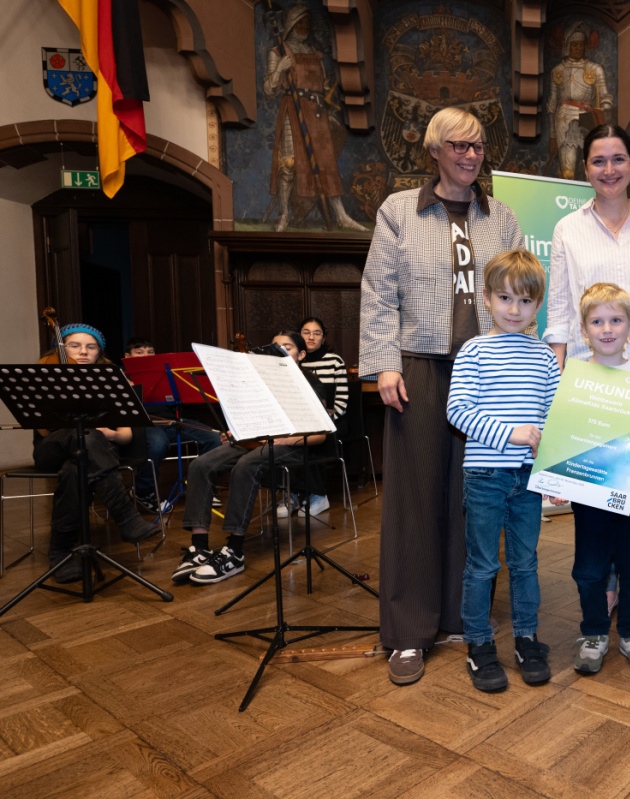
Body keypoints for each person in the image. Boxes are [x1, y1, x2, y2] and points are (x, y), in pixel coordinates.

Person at [359, 106, 526, 686]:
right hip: (418, 368)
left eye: (477, 146)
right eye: (457, 145)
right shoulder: (398, 211)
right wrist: (382, 365)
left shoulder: (500, 217)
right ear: (433, 150)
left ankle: (461, 617)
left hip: (487, 371)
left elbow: (519, 292)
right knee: (414, 498)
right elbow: (379, 292)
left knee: (475, 497)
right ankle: (408, 633)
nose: (469, 155)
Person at [543, 123, 630, 626]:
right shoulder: (567, 230)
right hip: (588, 373)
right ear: (585, 169)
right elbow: (557, 307)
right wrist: (556, 380)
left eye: (619, 159)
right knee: (597, 486)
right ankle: (610, 588)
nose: (610, 169)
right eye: (599, 160)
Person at [446, 250, 559, 692]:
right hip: (486, 477)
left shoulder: (545, 357)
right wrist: (507, 433)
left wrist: (554, 473)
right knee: (482, 564)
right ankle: (478, 644)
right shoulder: (474, 350)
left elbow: (552, 418)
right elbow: (458, 412)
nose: (515, 310)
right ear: (487, 299)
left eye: (526, 301)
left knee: (526, 562)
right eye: (506, 298)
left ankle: (527, 638)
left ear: (538, 305)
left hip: (529, 478)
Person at [548, 283, 630, 675]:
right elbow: (563, 433)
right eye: (597, 321)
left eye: (616, 320)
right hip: (591, 493)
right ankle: (594, 631)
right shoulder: (576, 379)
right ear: (584, 330)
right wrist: (557, 481)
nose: (607, 329)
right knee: (589, 567)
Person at [172, 331, 332, 586]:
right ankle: (199, 547)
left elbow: (321, 436)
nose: (280, 353)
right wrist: (235, 432)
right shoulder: (258, 382)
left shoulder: (310, 383)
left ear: (301, 355)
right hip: (257, 441)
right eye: (275, 348)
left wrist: (286, 440)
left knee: (248, 465)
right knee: (201, 464)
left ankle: (234, 551)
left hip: (294, 444)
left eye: (287, 348)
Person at [36, 324, 157, 584]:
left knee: (76, 466)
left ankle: (60, 551)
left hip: (91, 452)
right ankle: (125, 516)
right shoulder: (45, 377)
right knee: (86, 438)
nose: (83, 351)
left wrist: (108, 433)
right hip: (53, 448)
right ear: (61, 349)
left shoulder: (112, 382)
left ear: (98, 353)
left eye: (91, 347)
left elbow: (125, 435)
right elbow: (44, 432)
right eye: (74, 345)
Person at [263, 4, 364, 232]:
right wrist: (280, 68)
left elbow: (324, 85)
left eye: (307, 23)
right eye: (300, 23)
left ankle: (341, 216)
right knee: (288, 164)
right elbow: (269, 90)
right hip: (293, 108)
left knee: (326, 164)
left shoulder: (314, 54)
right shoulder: (279, 52)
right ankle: (284, 216)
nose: (304, 27)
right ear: (291, 25)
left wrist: (328, 98)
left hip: (317, 112)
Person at [122, 337, 222, 513]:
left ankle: (200, 487)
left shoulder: (164, 373)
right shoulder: (122, 376)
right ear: (128, 357)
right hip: (145, 424)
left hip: (171, 421)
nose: (146, 356)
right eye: (139, 352)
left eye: (150, 352)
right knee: (157, 444)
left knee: (214, 437)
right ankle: (144, 493)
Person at [278, 316, 348, 517]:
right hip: (299, 420)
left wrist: (324, 419)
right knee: (285, 439)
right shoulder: (291, 360)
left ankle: (317, 495)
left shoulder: (335, 360)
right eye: (306, 332)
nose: (311, 337)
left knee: (313, 438)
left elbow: (342, 400)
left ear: (323, 337)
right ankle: (291, 494)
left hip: (332, 420)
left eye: (317, 333)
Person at [547, 26, 613, 179]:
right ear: (567, 46)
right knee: (567, 171)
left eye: (581, 44)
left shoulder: (595, 69)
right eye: (574, 44)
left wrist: (605, 118)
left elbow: (605, 96)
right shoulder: (558, 70)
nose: (578, 48)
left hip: (588, 116)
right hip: (563, 117)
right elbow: (552, 104)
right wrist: (552, 136)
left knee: (593, 165)